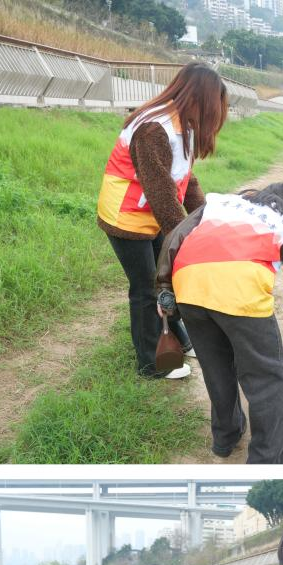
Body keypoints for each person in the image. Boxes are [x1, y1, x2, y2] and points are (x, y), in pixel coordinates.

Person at [156, 183, 283, 464]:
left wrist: (164, 288)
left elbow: (175, 236)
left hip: (190, 288)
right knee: (265, 380)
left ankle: (225, 436)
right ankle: (267, 458)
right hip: (241, 296)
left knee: (216, 369)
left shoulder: (219, 203)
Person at [97, 62, 228, 380]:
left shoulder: (182, 125)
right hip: (126, 216)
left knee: (166, 282)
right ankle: (151, 364)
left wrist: (205, 220)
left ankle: (178, 340)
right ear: (197, 99)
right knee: (145, 290)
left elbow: (185, 180)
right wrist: (186, 241)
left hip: (150, 215)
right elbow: (160, 192)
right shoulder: (154, 128)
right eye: (214, 107)